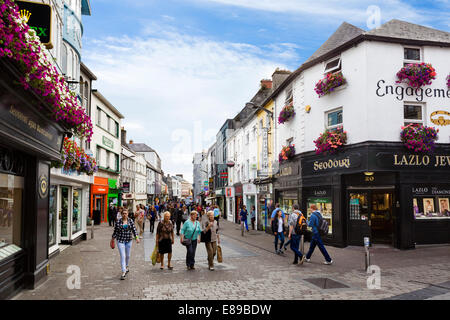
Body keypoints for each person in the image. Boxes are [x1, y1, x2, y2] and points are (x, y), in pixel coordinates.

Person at [111, 209, 140, 280]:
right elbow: (115, 232)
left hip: (129, 240)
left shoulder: (130, 221)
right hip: (120, 241)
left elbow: (134, 230)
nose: (124, 215)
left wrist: (136, 237)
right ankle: (123, 271)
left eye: (126, 213)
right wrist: (112, 240)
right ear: (121, 214)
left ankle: (127, 266)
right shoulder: (118, 222)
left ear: (128, 214)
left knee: (128, 255)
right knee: (123, 256)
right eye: (123, 213)